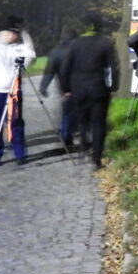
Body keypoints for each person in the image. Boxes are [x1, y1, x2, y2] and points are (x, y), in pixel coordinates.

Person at [58, 13, 118, 169]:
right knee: (98, 123)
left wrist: (65, 88)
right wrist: (113, 87)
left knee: (82, 119)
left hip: (78, 88)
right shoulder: (106, 43)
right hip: (98, 88)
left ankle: (84, 145)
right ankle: (96, 158)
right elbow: (112, 68)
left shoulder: (75, 43)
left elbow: (65, 67)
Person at [0, 16, 36, 166]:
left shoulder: (19, 47)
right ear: (3, 31)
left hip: (13, 91)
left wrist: (25, 35)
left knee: (16, 122)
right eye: (11, 32)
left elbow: (31, 56)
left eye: (16, 33)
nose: (14, 36)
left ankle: (20, 154)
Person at [40, 28, 76, 145]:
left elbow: (49, 71)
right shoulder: (78, 50)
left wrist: (44, 85)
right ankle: (69, 133)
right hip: (80, 84)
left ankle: (65, 135)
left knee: (67, 110)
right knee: (75, 112)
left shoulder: (56, 51)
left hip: (64, 86)